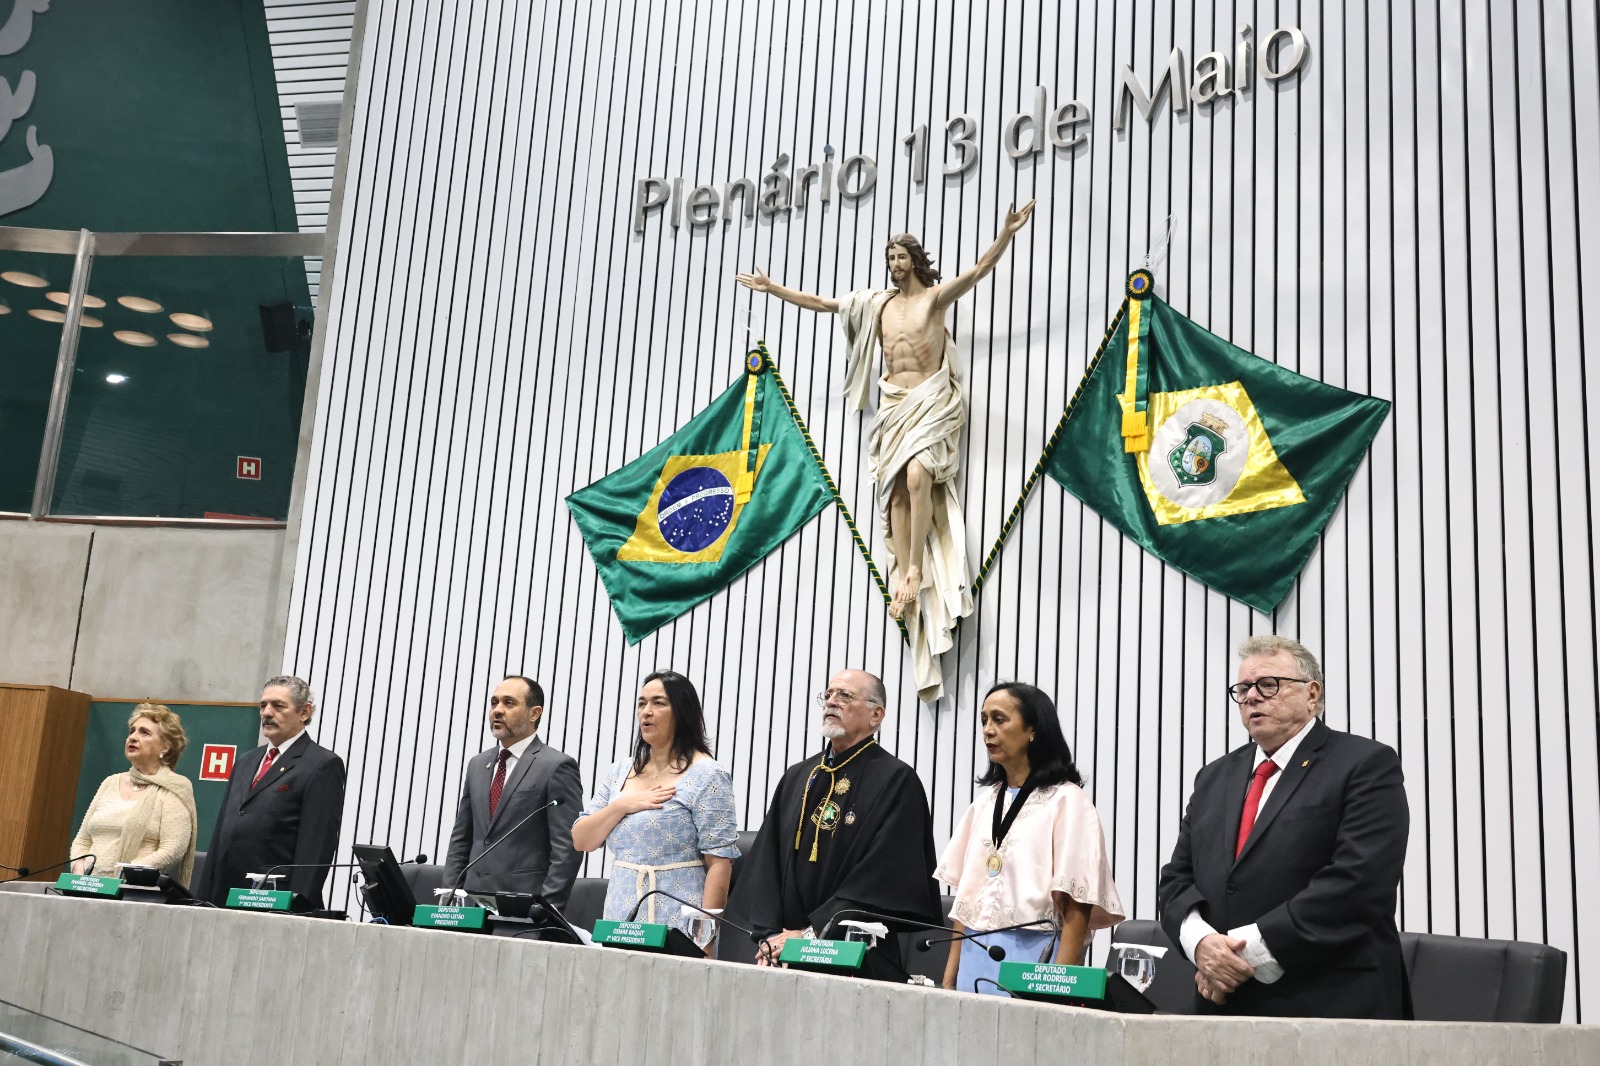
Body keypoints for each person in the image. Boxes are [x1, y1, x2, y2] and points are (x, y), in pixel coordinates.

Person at [735, 204, 1036, 701]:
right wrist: (774, 289)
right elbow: (823, 303)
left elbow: (979, 271)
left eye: (901, 257)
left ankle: (915, 569)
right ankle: (903, 568)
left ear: (915, 260)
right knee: (895, 491)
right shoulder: (876, 305)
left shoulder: (935, 299)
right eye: (890, 258)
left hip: (929, 401)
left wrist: (1005, 233)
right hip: (894, 404)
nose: (895, 265)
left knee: (919, 477)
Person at [1157, 636, 1411, 1018]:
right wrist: (1203, 945)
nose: (1251, 697)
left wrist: (1239, 956)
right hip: (1222, 1006)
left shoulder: (1365, 764)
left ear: (1312, 694)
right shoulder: (1213, 777)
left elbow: (1359, 882)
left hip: (1329, 1003)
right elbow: (1176, 880)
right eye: (1243, 689)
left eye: (1268, 685)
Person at [726, 669, 943, 976]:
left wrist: (811, 934)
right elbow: (767, 863)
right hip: (781, 951)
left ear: (876, 715)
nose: (831, 701)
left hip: (854, 953)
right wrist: (770, 935)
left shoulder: (897, 781)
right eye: (828, 694)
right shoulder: (798, 776)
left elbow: (880, 878)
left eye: (845, 696)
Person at [934, 682, 1124, 995]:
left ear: (1033, 729)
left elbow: (1077, 902)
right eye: (984, 720)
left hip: (1035, 959)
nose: (988, 730)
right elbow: (965, 903)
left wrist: (1058, 987)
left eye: (999, 719)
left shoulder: (1067, 801)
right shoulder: (984, 803)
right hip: (973, 955)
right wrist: (949, 979)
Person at [571, 671, 739, 946]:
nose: (646, 712)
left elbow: (719, 863)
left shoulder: (708, 774)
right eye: (642, 703)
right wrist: (622, 805)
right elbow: (581, 839)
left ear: (682, 712)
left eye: (659, 703)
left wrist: (705, 941)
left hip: (678, 919)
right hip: (621, 914)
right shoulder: (620, 771)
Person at [195, 676, 346, 907]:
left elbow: (315, 847)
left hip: (274, 897)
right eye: (263, 705)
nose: (267, 712)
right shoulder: (246, 761)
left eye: (278, 705)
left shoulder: (321, 764)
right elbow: (221, 833)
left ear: (304, 712)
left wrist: (297, 904)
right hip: (224, 894)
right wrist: (203, 897)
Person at [443, 675, 583, 908]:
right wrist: (449, 897)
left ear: (534, 713)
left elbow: (567, 848)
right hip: (470, 904)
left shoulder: (556, 766)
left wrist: (545, 909)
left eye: (509, 703)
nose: (497, 710)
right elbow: (461, 838)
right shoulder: (477, 764)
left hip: (522, 908)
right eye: (494, 702)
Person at [70, 703, 199, 886]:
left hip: (135, 889)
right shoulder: (110, 782)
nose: (132, 737)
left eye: (144, 733)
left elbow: (173, 849)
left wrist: (127, 873)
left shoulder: (174, 788)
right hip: (88, 886)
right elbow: (82, 841)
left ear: (165, 747)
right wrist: (79, 873)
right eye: (132, 731)